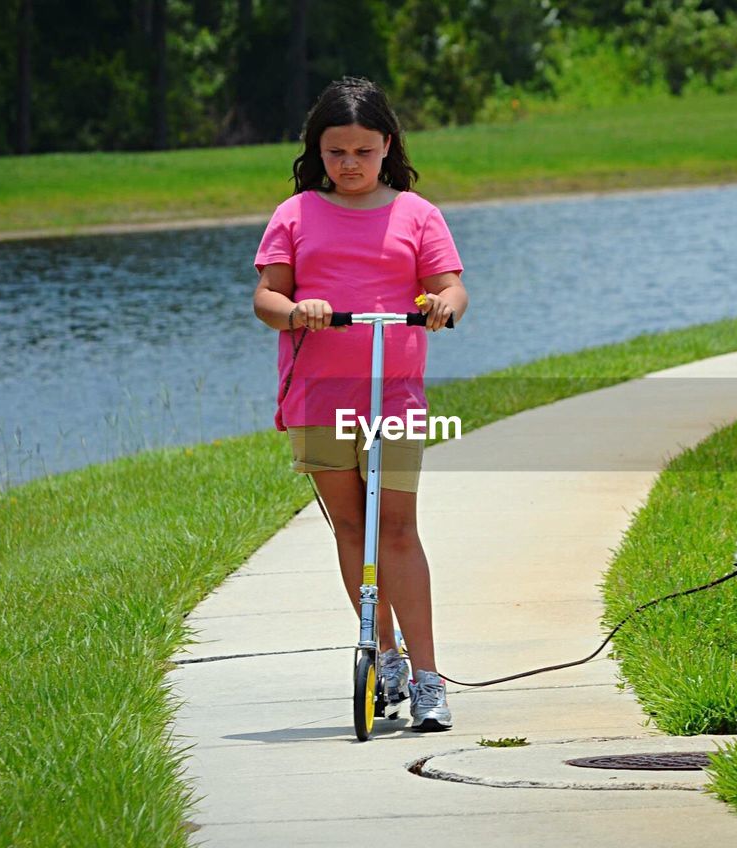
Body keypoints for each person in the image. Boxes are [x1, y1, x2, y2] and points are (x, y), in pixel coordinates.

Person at [251, 77, 469, 732]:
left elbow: (451, 288)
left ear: (387, 147)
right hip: (319, 396)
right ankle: (385, 655)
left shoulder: (417, 214)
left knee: (396, 528)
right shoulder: (294, 215)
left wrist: (441, 308)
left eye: (363, 152)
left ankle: (428, 679)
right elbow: (267, 299)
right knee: (353, 529)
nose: (349, 164)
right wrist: (299, 310)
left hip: (393, 395)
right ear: (317, 150)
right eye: (336, 151)